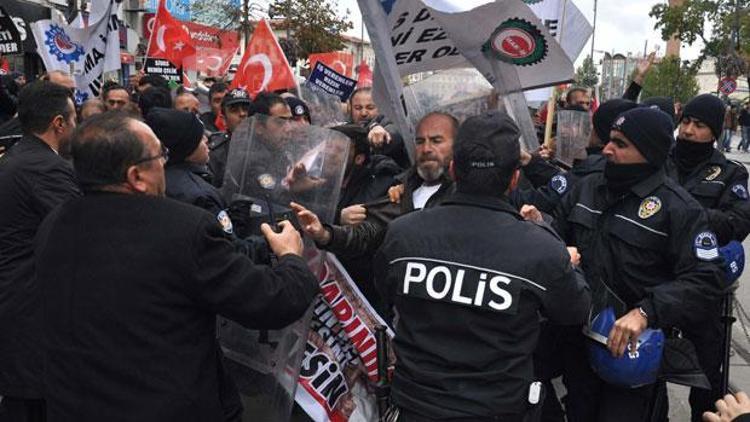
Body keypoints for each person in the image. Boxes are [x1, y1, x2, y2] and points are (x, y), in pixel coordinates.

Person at [35, 111, 320, 421]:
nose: (164, 164)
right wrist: (291, 257)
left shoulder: (54, 223)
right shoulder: (183, 229)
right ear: (136, 177)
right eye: (160, 155)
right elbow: (271, 301)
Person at [370, 110, 590, 421]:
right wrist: (567, 262)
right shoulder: (540, 248)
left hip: (421, 404)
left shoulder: (404, 234)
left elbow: (387, 291)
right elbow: (575, 310)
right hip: (492, 407)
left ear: (454, 170)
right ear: (514, 178)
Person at [551, 107, 724, 421]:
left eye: (620, 143)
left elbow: (707, 278)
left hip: (631, 353)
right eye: (609, 140)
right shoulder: (587, 188)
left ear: (648, 151)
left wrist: (647, 312)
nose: (607, 148)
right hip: (577, 342)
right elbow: (555, 234)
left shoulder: (679, 208)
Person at [292, 111, 457, 313]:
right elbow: (368, 232)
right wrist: (326, 234)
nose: (427, 148)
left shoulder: (468, 194)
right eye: (420, 141)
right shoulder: (403, 193)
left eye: (437, 141)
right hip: (406, 312)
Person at [665, 93, 750, 421]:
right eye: (685, 121)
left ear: (714, 132)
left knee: (707, 373)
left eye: (699, 125)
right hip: (658, 274)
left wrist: (689, 215)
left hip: (703, 281)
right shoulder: (661, 158)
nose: (688, 130)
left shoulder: (730, 173)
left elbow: (739, 223)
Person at [0, 81, 81, 422]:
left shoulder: (21, 157)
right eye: (74, 119)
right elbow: (79, 230)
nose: (77, 127)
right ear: (58, 124)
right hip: (30, 309)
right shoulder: (43, 168)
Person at [145, 108, 227, 220]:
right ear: (188, 148)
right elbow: (220, 236)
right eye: (200, 137)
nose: (206, 139)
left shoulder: (151, 179)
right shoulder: (201, 196)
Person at [349, 87, 410, 169]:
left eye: (370, 107)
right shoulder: (347, 130)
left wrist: (377, 130)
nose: (363, 113)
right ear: (350, 109)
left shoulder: (390, 123)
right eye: (358, 108)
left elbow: (394, 134)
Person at [208, 88, 253, 188]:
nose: (242, 114)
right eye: (234, 110)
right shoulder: (216, 152)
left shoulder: (265, 144)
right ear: (224, 120)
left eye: (246, 109)